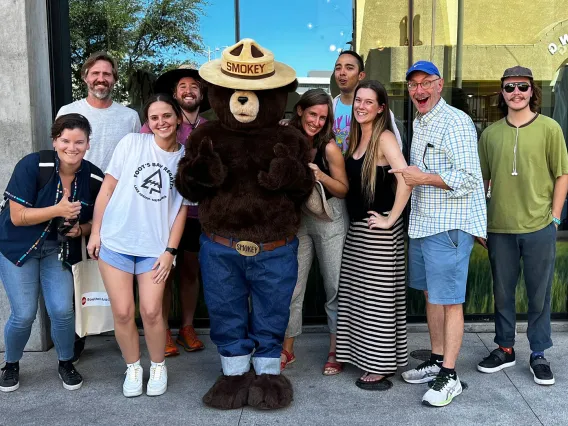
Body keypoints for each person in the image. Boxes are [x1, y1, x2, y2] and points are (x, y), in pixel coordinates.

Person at [396, 61, 486, 407]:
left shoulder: (456, 122)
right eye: (413, 85)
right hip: (424, 222)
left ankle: (450, 375)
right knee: (433, 295)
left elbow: (468, 179)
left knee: (449, 300)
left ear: (440, 84)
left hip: (449, 226)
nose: (419, 90)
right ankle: (436, 360)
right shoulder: (422, 122)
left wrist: (423, 178)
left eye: (425, 83)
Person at [87, 94, 189, 398]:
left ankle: (158, 365)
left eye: (167, 116)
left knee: (152, 310)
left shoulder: (186, 161)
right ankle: (133, 366)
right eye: (154, 118)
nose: (161, 123)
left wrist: (170, 252)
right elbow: (107, 188)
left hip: (154, 247)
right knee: (122, 312)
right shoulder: (131, 144)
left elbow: (181, 209)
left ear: (178, 118)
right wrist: (96, 232)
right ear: (148, 122)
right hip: (116, 241)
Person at [476, 66, 568, 386]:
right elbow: (482, 182)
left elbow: (562, 175)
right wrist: (479, 223)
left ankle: (539, 353)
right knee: (502, 293)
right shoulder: (489, 135)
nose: (516, 92)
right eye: (510, 87)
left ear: (532, 92)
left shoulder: (550, 128)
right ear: (502, 92)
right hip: (499, 227)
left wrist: (555, 218)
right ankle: (505, 348)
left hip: (539, 225)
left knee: (539, 294)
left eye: (523, 87)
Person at [0, 114, 104, 392]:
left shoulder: (94, 177)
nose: (72, 147)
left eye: (79, 142)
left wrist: (81, 229)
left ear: (88, 144)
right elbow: (18, 216)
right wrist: (58, 210)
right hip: (18, 246)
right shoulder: (34, 165)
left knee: (62, 310)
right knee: (23, 314)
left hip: (57, 250)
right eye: (66, 140)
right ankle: (10, 364)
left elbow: (102, 219)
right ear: (55, 141)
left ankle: (66, 362)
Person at [57, 51, 141, 361]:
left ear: (114, 80)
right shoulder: (68, 110)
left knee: (117, 269)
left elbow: (135, 160)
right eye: (95, 73)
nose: (101, 79)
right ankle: (76, 337)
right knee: (75, 269)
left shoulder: (129, 116)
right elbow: (61, 152)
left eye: (107, 74)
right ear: (85, 77)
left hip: (118, 203)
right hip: (78, 197)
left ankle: (121, 333)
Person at [335, 80, 412, 391]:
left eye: (369, 102)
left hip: (378, 236)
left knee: (378, 303)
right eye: (358, 100)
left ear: (381, 107)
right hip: (358, 233)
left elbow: (406, 178)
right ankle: (366, 356)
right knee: (361, 301)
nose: (361, 106)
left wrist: (390, 219)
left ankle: (379, 367)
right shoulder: (357, 138)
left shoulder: (385, 138)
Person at [279, 89, 349, 375]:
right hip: (299, 220)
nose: (317, 121)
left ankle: (336, 350)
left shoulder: (329, 147)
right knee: (293, 287)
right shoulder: (286, 138)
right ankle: (288, 349)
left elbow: (343, 189)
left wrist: (320, 175)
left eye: (323, 117)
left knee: (334, 287)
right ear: (300, 111)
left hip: (330, 218)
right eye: (312, 114)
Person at [141, 66, 208, 357]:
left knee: (190, 272)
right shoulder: (159, 123)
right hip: (161, 214)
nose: (189, 90)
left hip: (196, 215)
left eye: (194, 86)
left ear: (202, 93)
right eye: (183, 86)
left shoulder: (209, 127)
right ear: (175, 93)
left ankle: (187, 327)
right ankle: (164, 330)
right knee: (162, 274)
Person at [332, 50, 402, 154]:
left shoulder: (377, 110)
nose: (342, 72)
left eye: (349, 68)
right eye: (338, 68)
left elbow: (397, 149)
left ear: (361, 75)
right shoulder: (330, 108)